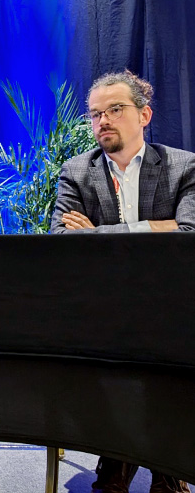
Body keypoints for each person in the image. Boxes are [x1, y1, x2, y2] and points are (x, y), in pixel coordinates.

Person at [51, 70, 194, 493]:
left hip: (169, 303)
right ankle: (118, 459)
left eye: (115, 110)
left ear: (144, 114)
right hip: (102, 306)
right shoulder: (78, 170)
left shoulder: (183, 167)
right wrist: (153, 227)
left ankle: (162, 467)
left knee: (168, 347)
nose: (103, 122)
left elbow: (188, 236)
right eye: (95, 114)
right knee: (105, 353)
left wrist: (94, 233)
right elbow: (60, 241)